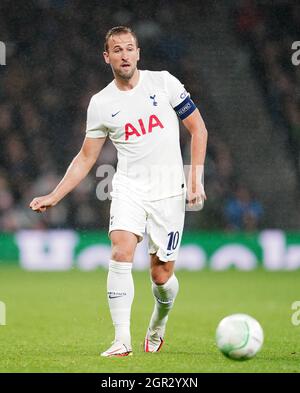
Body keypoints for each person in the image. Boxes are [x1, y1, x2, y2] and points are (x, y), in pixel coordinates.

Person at [29, 26, 208, 357]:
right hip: (128, 187)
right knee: (121, 250)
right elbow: (86, 158)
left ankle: (158, 323)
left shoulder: (165, 83)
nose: (124, 54)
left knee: (161, 275)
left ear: (138, 53)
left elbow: (198, 128)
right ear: (107, 56)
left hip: (169, 191)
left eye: (130, 48)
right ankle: (122, 340)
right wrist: (55, 195)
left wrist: (195, 179)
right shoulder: (101, 103)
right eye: (117, 49)